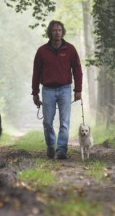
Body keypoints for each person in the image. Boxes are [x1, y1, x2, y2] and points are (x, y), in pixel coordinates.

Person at [31, 20, 83, 159]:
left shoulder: (70, 49)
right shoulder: (42, 51)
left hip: (65, 89)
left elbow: (77, 70)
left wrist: (78, 90)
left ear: (63, 32)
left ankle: (61, 150)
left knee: (64, 122)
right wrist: (35, 93)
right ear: (50, 32)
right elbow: (36, 72)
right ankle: (50, 144)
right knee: (47, 122)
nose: (57, 32)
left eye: (59, 30)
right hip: (47, 90)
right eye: (54, 30)